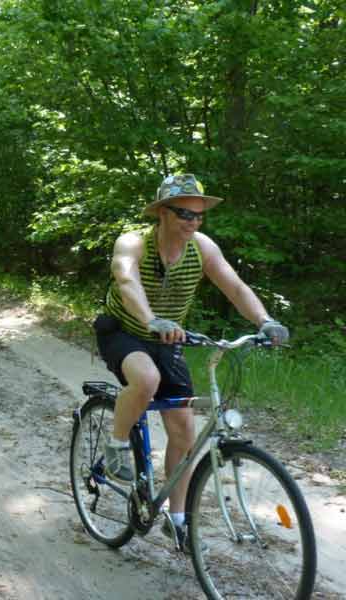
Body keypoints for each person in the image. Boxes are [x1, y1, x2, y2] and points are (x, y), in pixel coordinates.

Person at [94, 173, 289, 548]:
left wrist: (265, 321)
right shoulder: (134, 242)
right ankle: (117, 442)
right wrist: (151, 319)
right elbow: (126, 278)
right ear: (162, 213)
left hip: (169, 338)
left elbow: (234, 286)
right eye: (184, 213)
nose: (192, 221)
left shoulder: (202, 248)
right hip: (124, 331)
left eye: (198, 216)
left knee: (184, 431)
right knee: (146, 380)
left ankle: (178, 518)